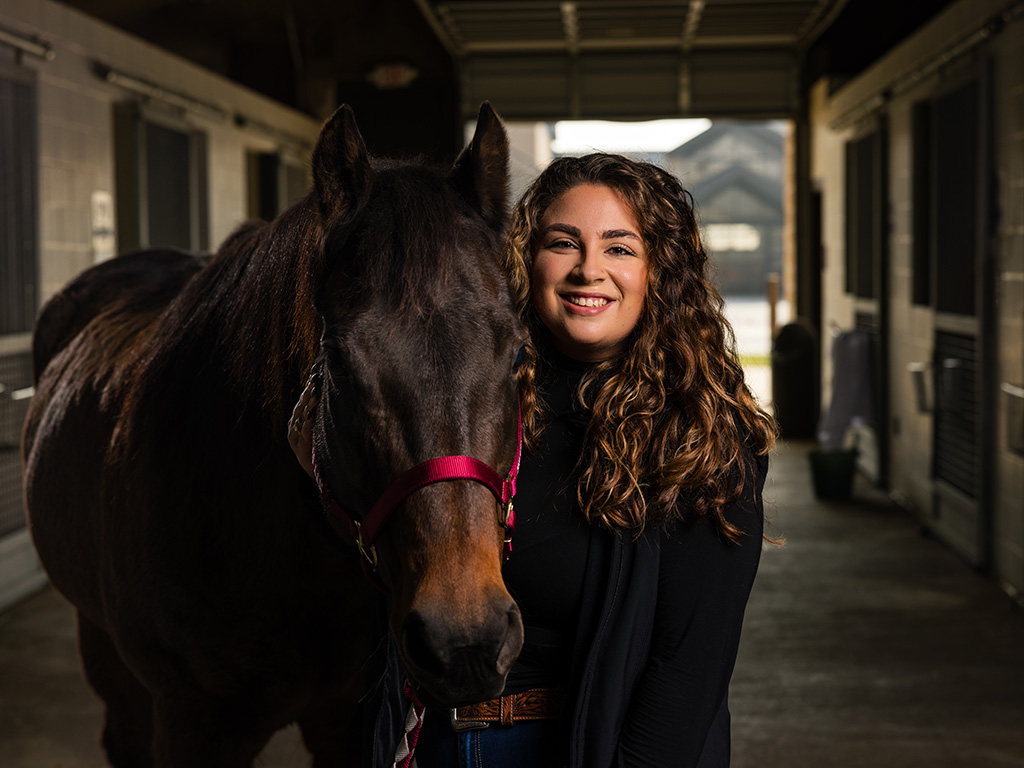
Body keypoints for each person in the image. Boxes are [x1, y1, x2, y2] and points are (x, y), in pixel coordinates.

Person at [290, 152, 775, 768]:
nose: (588, 270)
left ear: (661, 271)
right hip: (425, 740)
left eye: (620, 249)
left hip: (570, 749)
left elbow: (686, 669)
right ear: (528, 256)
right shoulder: (478, 401)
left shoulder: (702, 435)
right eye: (564, 243)